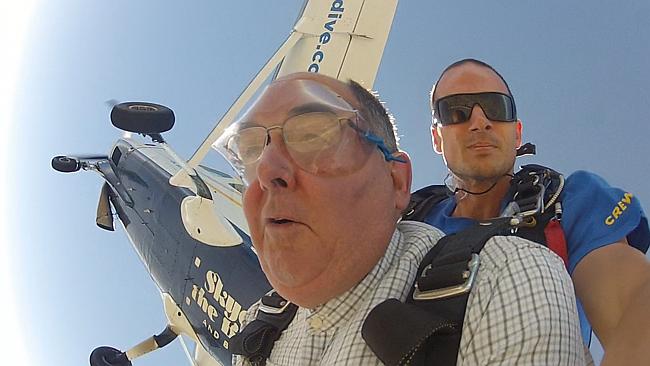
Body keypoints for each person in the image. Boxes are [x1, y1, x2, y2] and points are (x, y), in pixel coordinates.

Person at [216, 72, 586, 365]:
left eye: (312, 135)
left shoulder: (507, 275)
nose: (266, 170)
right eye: (249, 151)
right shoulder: (257, 332)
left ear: (396, 181)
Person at [420, 58, 650, 365]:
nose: (479, 122)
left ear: (516, 134)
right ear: (437, 137)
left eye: (496, 107)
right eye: (456, 111)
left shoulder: (567, 201)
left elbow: (629, 302)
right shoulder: (407, 221)